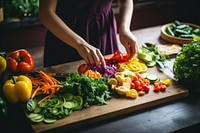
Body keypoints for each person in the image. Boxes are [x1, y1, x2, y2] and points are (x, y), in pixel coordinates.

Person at [39, 0, 137, 68]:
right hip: (66, 37)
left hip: (105, 35)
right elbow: (46, 13)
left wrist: (124, 28)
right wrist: (80, 44)